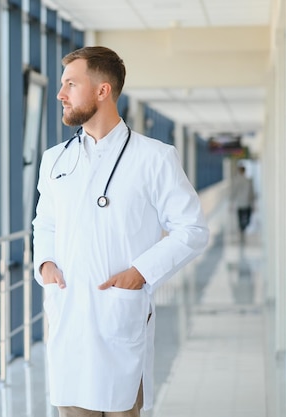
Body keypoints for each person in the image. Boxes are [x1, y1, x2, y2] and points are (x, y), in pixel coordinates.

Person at [32, 46, 209, 417]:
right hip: (69, 318)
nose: (60, 94)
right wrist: (46, 264)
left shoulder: (154, 158)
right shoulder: (55, 159)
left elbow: (192, 228)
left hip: (119, 315)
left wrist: (139, 273)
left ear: (102, 90)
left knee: (122, 404)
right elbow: (44, 222)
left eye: (70, 84)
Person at [230, 165, 254, 241]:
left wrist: (231, 203)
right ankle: (244, 227)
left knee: (240, 217)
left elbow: (233, 192)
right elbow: (251, 192)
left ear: (239, 171)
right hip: (247, 202)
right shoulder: (248, 180)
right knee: (247, 216)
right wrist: (253, 203)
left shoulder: (237, 180)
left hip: (240, 203)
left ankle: (242, 229)